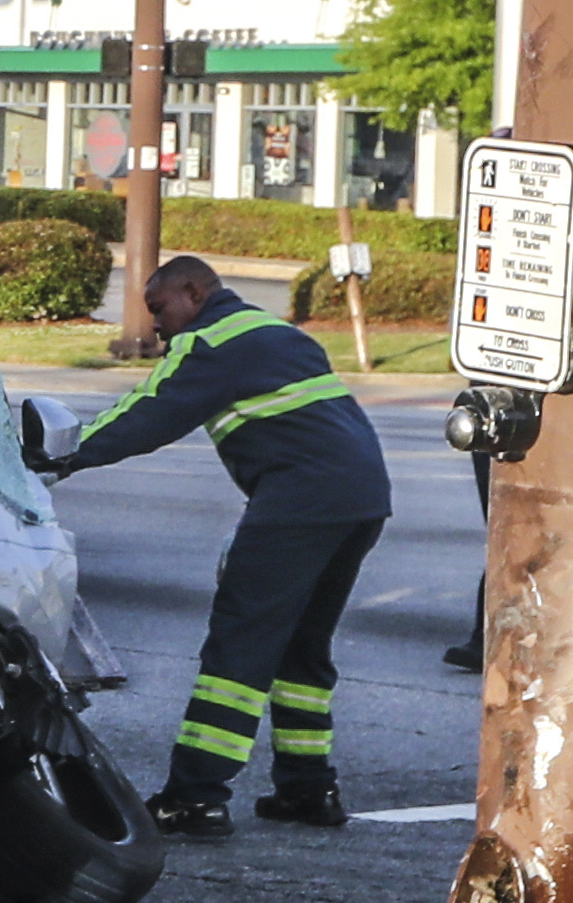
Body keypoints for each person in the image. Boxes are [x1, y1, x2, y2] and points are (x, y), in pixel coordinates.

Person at [30, 255, 393, 836]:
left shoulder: (211, 341)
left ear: (194, 293)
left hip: (297, 503)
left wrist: (55, 456)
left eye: (159, 308)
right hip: (362, 499)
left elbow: (146, 414)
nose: (156, 326)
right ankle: (308, 789)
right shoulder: (277, 332)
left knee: (238, 649)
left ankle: (196, 797)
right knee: (302, 649)